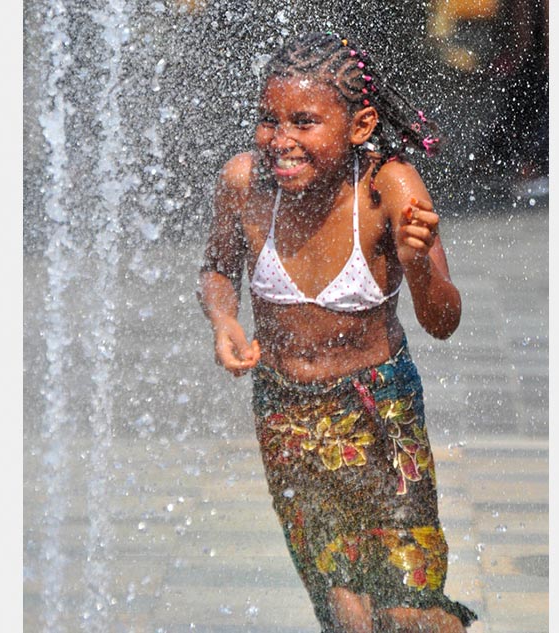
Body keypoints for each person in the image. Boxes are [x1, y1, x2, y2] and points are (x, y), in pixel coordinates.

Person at [198, 31, 478, 632]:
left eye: (303, 122)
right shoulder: (245, 183)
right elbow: (217, 268)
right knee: (344, 611)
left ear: (360, 125)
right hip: (285, 415)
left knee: (407, 607)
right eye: (268, 120)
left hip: (379, 413)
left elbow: (443, 321)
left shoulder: (388, 187)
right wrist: (224, 320)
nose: (281, 140)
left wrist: (417, 263)